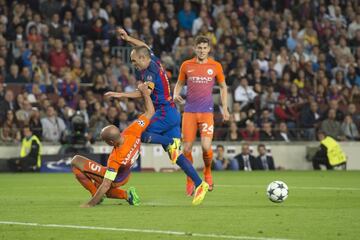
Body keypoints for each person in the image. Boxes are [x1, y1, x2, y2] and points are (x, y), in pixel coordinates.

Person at [104, 28, 209, 200]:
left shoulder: (150, 73)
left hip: (164, 113)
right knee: (176, 156)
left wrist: (120, 94)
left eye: (135, 60)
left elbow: (144, 93)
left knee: (142, 134)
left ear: (143, 58)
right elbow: (143, 45)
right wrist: (129, 38)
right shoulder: (152, 59)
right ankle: (200, 184)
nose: (133, 64)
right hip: (172, 114)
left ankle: (170, 143)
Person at [173, 35, 229, 195]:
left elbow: (224, 87)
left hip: (206, 112)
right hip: (189, 112)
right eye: (199, 48)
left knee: (205, 146)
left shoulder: (216, 66)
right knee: (187, 148)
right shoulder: (186, 65)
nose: (202, 50)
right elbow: (179, 83)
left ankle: (207, 172)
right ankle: (190, 179)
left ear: (209, 49)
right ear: (195, 48)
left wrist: (225, 108)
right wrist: (175, 94)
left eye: (205, 48)